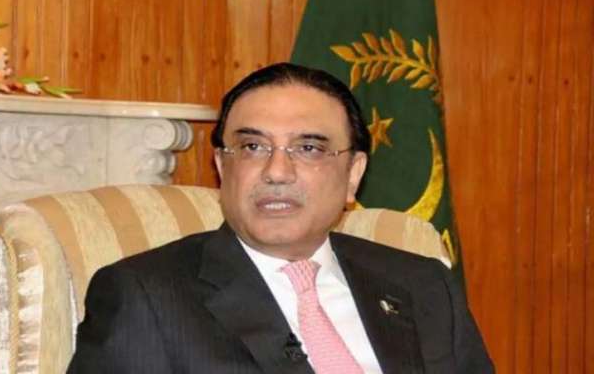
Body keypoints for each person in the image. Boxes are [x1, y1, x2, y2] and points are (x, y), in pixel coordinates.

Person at [67, 63, 494, 373]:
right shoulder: (145, 295)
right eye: (253, 147)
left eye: (308, 149)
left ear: (353, 174)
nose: (276, 172)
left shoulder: (423, 284)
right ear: (223, 166)